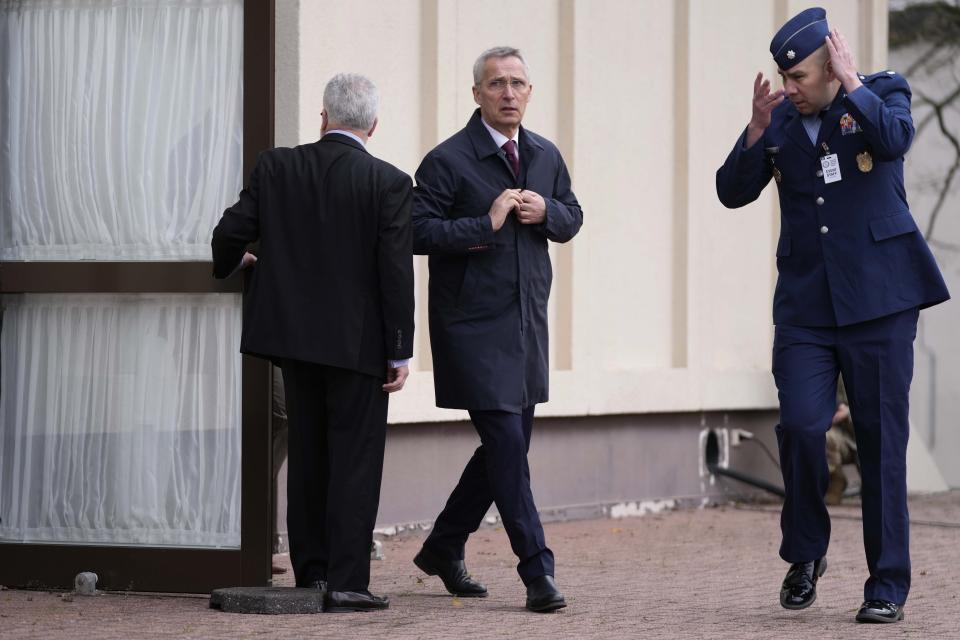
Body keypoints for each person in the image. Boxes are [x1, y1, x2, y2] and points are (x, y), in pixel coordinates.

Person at [717, 6, 950, 624]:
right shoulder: (782, 121)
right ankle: (806, 553)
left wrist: (854, 84)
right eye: (783, 75)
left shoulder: (881, 92)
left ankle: (886, 586)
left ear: (831, 65)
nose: (788, 86)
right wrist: (755, 129)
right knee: (799, 425)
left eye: (798, 76)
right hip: (806, 307)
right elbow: (731, 191)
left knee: (880, 444)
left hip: (880, 302)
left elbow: (895, 140)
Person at [211, 72, 415, 613]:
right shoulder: (390, 183)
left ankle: (313, 575)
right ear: (373, 126)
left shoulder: (276, 167)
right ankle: (348, 582)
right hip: (359, 349)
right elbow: (395, 272)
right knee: (355, 461)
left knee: (307, 457)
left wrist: (238, 263)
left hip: (294, 344)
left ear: (322, 117)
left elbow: (230, 232)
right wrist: (401, 349)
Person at [410, 46, 582, 613]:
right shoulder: (447, 160)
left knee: (506, 450)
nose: (509, 93)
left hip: (527, 324)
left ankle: (442, 545)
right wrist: (483, 224)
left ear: (530, 93)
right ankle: (538, 573)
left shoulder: (545, 155)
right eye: (497, 84)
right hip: (472, 327)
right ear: (477, 94)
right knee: (508, 446)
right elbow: (416, 231)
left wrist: (547, 215)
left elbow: (573, 214)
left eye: (518, 84)